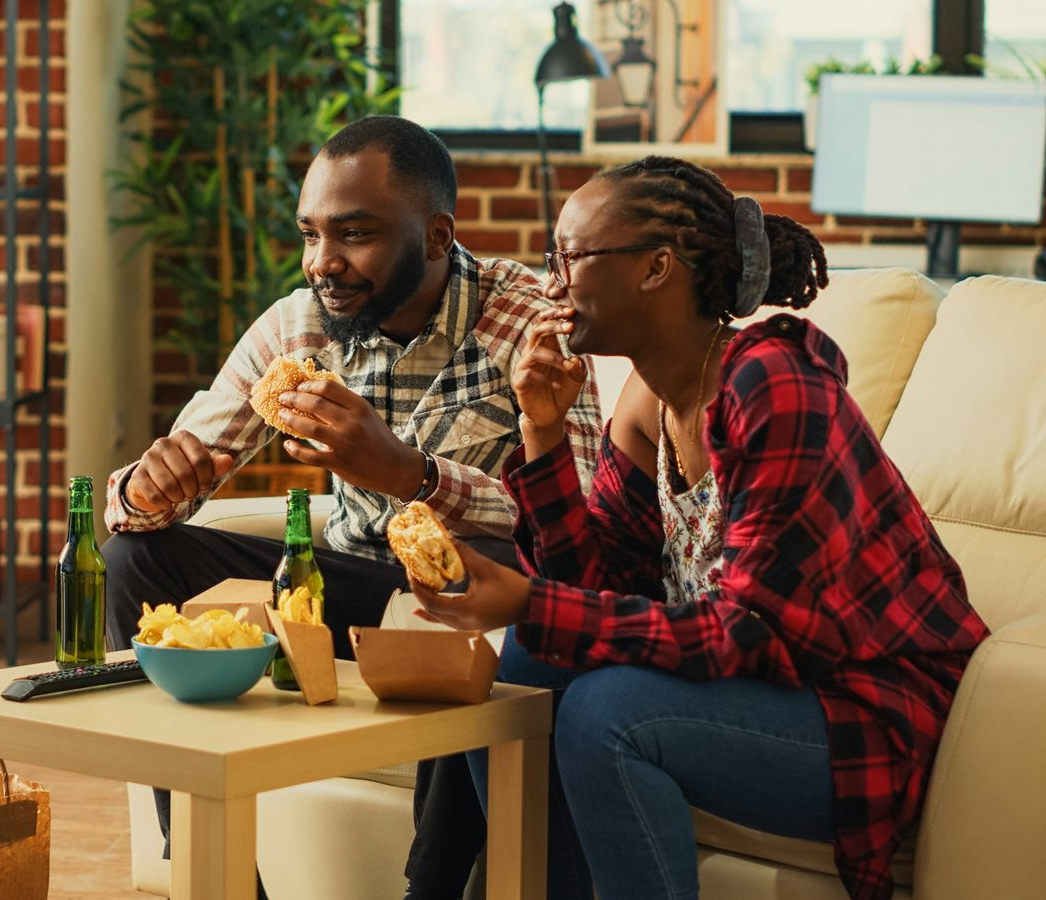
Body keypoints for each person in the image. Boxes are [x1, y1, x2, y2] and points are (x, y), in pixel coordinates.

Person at [405, 155, 989, 900]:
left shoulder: (774, 385)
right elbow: (592, 591)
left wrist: (526, 599)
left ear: (656, 268)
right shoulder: (648, 399)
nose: (550, 283)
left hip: (863, 712)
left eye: (569, 257)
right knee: (525, 665)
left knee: (603, 713)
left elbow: (747, 632)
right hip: (747, 690)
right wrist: (543, 434)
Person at [99, 115, 603, 893]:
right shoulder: (298, 328)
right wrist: (148, 485)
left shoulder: (531, 322)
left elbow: (588, 524)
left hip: (453, 598)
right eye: (310, 235)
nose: (322, 265)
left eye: (355, 235)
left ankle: (428, 887)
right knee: (138, 556)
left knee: (484, 578)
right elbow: (156, 492)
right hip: (341, 586)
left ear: (437, 237)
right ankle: (215, 875)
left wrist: (414, 475)